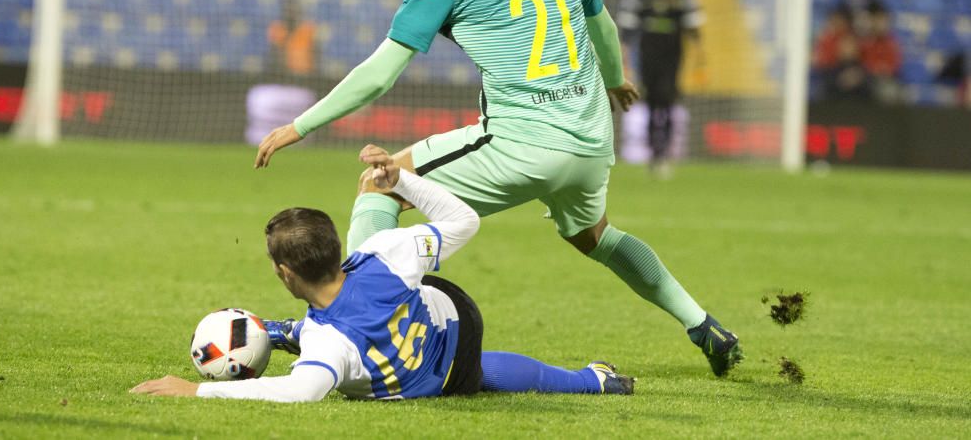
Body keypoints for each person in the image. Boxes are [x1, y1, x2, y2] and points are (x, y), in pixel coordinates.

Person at [254, 0, 742, 377]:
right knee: (594, 236)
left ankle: (354, 331)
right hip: (590, 141)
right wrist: (615, 80)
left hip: (523, 143)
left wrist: (299, 126)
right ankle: (703, 325)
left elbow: (380, 73)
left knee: (381, 184)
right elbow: (599, 19)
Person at [131, 146, 634, 401]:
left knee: (476, 375)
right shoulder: (385, 253)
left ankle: (290, 333)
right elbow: (464, 221)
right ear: (335, 247)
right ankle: (594, 381)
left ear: (286, 275)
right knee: (464, 356)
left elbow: (299, 390)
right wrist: (403, 182)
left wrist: (198, 389)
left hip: (434, 379)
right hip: (452, 317)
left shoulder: (329, 346)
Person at [616, 0, 706, 178]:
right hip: (647, 58)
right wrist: (625, 60)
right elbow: (626, 32)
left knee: (667, 102)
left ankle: (663, 153)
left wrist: (700, 58)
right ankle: (654, 153)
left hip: (673, 58)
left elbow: (695, 30)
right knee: (651, 103)